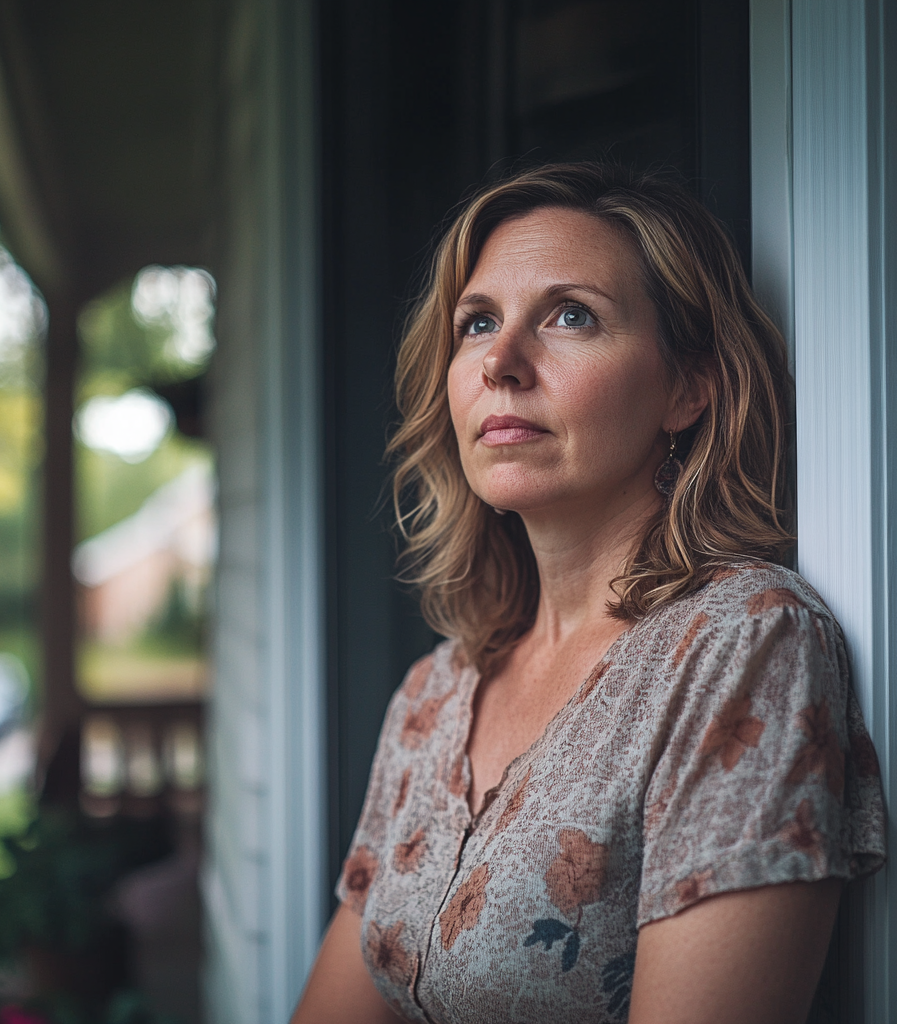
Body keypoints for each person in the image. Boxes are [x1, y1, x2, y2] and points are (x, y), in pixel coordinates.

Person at [292, 164, 886, 1024]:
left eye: (572, 316)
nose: (500, 361)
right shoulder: (436, 693)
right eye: (477, 323)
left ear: (688, 386)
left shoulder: (745, 648)